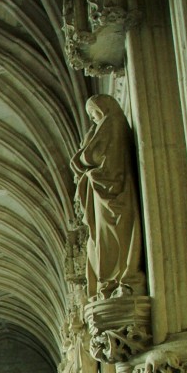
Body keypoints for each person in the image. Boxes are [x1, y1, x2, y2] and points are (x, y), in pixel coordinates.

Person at [70, 94, 145, 301]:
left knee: (111, 240)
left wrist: (80, 163)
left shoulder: (112, 124)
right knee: (102, 244)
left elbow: (93, 157)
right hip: (104, 199)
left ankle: (118, 280)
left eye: (94, 114)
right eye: (92, 116)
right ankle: (109, 284)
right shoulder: (107, 127)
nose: (94, 119)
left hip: (112, 195)